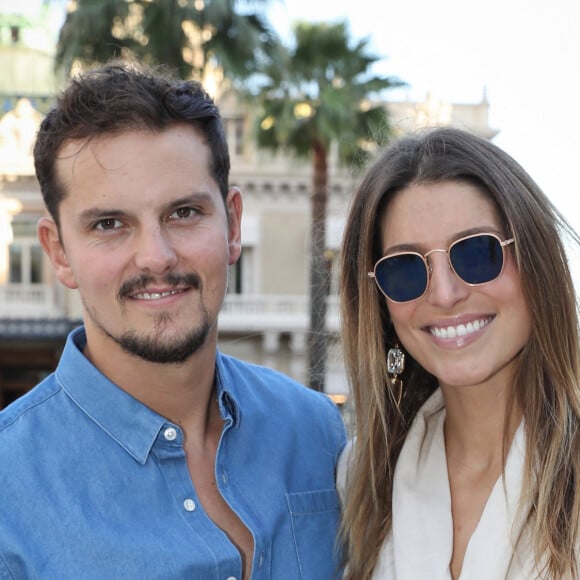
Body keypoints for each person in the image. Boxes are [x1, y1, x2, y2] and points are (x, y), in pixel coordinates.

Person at [0, 61, 346, 580]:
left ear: (232, 225)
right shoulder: (9, 485)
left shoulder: (316, 431)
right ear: (59, 252)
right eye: (109, 224)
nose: (156, 257)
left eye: (183, 213)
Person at [337, 127, 579, 579]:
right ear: (381, 303)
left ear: (536, 260)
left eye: (477, 253)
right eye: (406, 268)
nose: (445, 294)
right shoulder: (361, 480)